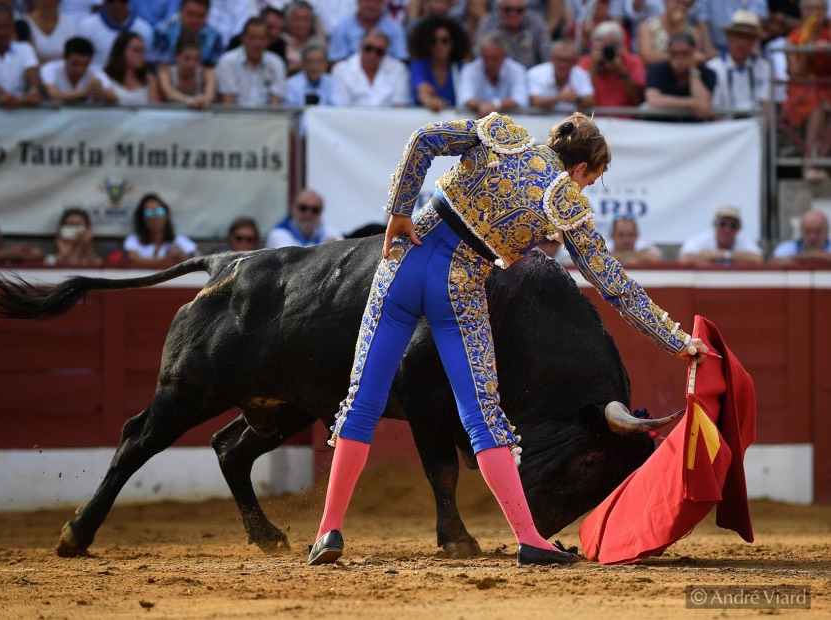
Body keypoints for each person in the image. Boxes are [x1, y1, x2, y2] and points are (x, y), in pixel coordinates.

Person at [305, 111, 709, 568]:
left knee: (362, 401)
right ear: (579, 169)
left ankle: (329, 530)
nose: (582, 191)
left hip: (403, 264)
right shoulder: (564, 203)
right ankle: (529, 538)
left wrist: (399, 211)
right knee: (483, 416)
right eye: (588, 182)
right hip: (457, 288)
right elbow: (613, 284)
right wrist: (678, 342)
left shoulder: (503, 135)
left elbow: (423, 139)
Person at [784, 0, 831, 181]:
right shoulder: (793, 39)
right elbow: (796, 73)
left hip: (826, 86)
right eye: (810, 8)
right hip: (803, 90)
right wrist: (807, 52)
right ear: (803, 12)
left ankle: (816, 159)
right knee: (818, 103)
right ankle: (811, 162)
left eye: (818, 8)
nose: (814, 12)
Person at [706, 10, 771, 115]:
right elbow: (711, 110)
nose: (742, 43)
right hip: (722, 127)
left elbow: (767, 107)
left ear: (754, 41)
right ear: (728, 38)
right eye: (738, 37)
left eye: (747, 38)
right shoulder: (712, 68)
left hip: (755, 127)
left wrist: (759, 130)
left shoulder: (765, 68)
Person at [644, 31, 716, 121]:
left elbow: (703, 104)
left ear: (694, 53)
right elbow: (654, 100)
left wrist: (693, 70)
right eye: (674, 54)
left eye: (684, 54)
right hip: (661, 127)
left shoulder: (707, 73)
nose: (679, 59)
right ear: (668, 55)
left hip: (694, 129)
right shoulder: (657, 70)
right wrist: (691, 103)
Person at [216, 17, 286, 106]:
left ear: (268, 40)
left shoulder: (276, 63)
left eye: (261, 38)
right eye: (252, 38)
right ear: (243, 38)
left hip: (267, 118)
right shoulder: (228, 61)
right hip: (234, 117)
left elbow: (275, 103)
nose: (256, 44)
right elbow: (227, 103)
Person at [331, 28, 411, 106]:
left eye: (379, 51)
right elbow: (342, 107)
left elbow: (400, 105)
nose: (372, 55)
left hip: (389, 119)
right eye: (368, 48)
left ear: (386, 52)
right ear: (360, 46)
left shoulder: (398, 70)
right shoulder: (341, 70)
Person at [457, 30, 528, 115]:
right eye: (486, 58)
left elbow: (521, 99)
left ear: (504, 56)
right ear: (481, 54)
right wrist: (481, 106)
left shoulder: (517, 70)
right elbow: (465, 98)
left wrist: (495, 104)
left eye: (495, 59)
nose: (490, 63)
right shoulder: (470, 69)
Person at [577, 20, 645, 109]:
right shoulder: (585, 62)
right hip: (593, 118)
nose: (606, 51)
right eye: (602, 47)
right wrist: (593, 67)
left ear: (620, 46)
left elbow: (639, 99)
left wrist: (622, 71)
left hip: (626, 119)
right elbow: (582, 101)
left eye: (610, 47)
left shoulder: (633, 61)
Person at [407, 14, 468, 110]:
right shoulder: (419, 66)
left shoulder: (461, 69)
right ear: (427, 44)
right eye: (433, 41)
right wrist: (430, 101)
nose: (439, 46)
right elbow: (422, 90)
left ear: (453, 43)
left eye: (444, 41)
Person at [123, 193, 200, 265]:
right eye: (148, 213)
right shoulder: (134, 239)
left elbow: (199, 260)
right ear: (142, 219)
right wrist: (164, 260)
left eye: (159, 212)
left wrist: (185, 259)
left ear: (167, 216)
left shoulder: (179, 240)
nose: (155, 217)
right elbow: (132, 259)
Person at [76, 0, 153, 69]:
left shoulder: (144, 29)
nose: (117, 2)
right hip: (97, 82)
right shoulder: (86, 26)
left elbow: (144, 65)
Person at [678, 204, 764, 265]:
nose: (727, 230)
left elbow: (757, 260)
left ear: (739, 229)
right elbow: (685, 259)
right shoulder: (700, 239)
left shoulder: (744, 240)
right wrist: (733, 262)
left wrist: (721, 255)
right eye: (722, 224)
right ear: (714, 225)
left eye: (733, 225)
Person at [474, 0, 550, 69]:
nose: (513, 14)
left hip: (529, 77)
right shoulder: (488, 23)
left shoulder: (536, 23)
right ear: (500, 9)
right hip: (496, 76)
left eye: (519, 10)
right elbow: (478, 55)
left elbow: (546, 56)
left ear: (525, 9)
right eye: (508, 10)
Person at [327, 0, 409, 63]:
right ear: (358, 2)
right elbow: (336, 62)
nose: (371, 5)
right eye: (367, 1)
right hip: (350, 79)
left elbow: (401, 60)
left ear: (382, 4)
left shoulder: (395, 29)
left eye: (376, 1)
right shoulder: (341, 28)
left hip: (388, 78)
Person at [151, 0, 224, 69]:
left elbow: (213, 68)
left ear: (207, 15)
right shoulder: (163, 32)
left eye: (200, 16)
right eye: (190, 14)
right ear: (180, 10)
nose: (194, 20)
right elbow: (159, 66)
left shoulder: (214, 37)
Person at [40, 35, 113, 103]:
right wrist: (86, 91)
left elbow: (114, 97)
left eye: (85, 64)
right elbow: (53, 95)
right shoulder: (49, 69)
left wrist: (100, 90)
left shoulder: (94, 71)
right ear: (65, 57)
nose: (80, 69)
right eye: (75, 64)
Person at [528, 38, 595, 110]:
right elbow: (535, 102)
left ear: (575, 61)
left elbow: (590, 100)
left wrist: (576, 99)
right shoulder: (536, 73)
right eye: (559, 59)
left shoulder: (581, 74)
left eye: (567, 61)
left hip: (570, 120)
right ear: (551, 58)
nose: (563, 64)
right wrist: (559, 98)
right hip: (539, 120)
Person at [265, 188, 341, 247]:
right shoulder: (279, 233)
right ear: (292, 208)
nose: (308, 215)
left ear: (321, 212)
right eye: (303, 208)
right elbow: (293, 261)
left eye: (315, 210)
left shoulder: (328, 230)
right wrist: (327, 249)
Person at [692, 0, 768, 59]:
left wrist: (754, 47)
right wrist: (709, 49)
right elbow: (702, 16)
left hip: (746, 48)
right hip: (716, 49)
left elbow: (756, 15)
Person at [636, 0, 702, 68]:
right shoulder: (647, 27)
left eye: (686, 5)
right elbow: (647, 58)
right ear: (666, 2)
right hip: (656, 75)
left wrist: (680, 29)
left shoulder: (693, 31)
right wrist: (681, 56)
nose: (681, 7)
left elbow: (697, 57)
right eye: (678, 2)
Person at [102, 31, 161, 105]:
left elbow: (156, 110)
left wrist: (152, 84)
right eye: (136, 50)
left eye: (143, 50)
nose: (141, 55)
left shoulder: (149, 78)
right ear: (121, 51)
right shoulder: (105, 78)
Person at [157, 33, 216, 107]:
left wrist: (203, 100)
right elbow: (169, 93)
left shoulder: (207, 73)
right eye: (187, 58)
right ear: (177, 56)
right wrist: (189, 100)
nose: (192, 64)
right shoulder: (165, 73)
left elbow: (210, 95)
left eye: (196, 59)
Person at [284, 38, 340, 106]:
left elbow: (338, 108)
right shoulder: (291, 84)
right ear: (303, 63)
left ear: (325, 64)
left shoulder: (332, 83)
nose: (314, 66)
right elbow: (288, 111)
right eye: (310, 61)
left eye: (319, 62)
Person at [281, 0, 326, 75]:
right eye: (296, 19)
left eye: (305, 19)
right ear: (288, 21)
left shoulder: (316, 43)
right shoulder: (281, 42)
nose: (300, 24)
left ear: (311, 22)